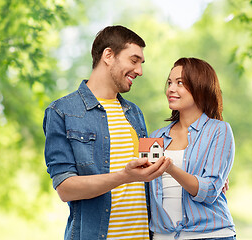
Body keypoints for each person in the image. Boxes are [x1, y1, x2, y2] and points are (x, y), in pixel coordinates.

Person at [43, 25, 171, 240]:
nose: (140, 71)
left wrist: (206, 177)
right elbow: (65, 188)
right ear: (108, 55)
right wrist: (124, 176)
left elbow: (150, 169)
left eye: (141, 63)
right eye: (134, 60)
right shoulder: (62, 112)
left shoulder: (134, 113)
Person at [148, 57, 236, 240]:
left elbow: (210, 190)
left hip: (211, 234)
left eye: (180, 83)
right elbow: (144, 185)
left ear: (200, 86)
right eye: (170, 82)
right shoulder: (155, 137)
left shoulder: (219, 130)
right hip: (163, 235)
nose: (171, 89)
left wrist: (170, 167)